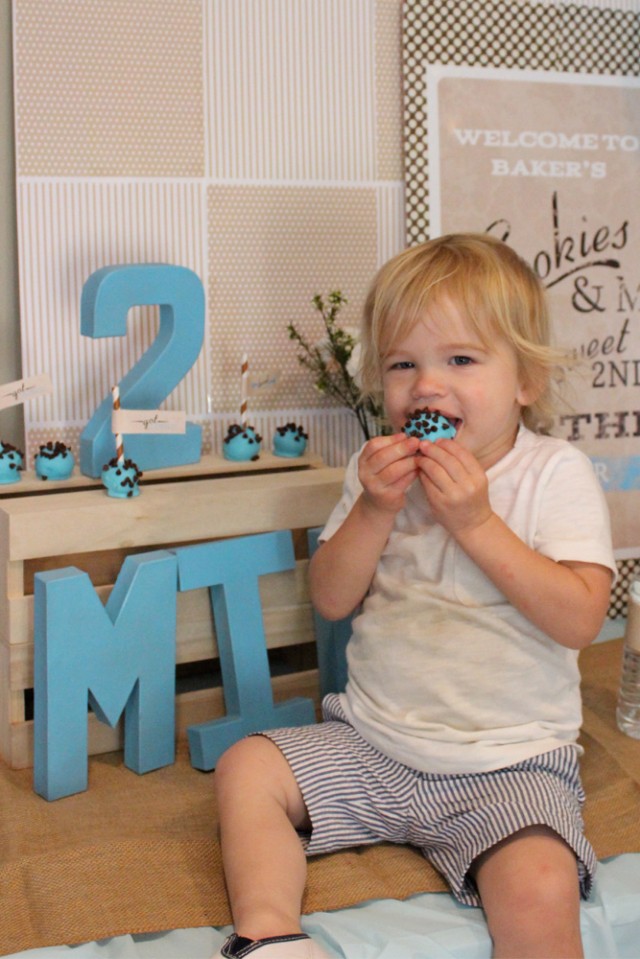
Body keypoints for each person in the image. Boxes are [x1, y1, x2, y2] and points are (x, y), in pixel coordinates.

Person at [213, 234, 616, 959]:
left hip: (510, 763)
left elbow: (581, 616)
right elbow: (332, 598)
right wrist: (372, 510)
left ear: (524, 378)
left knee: (541, 886)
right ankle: (270, 933)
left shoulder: (553, 474)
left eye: (460, 360)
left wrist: (477, 522)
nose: (426, 386)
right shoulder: (376, 475)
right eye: (404, 365)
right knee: (247, 768)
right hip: (374, 742)